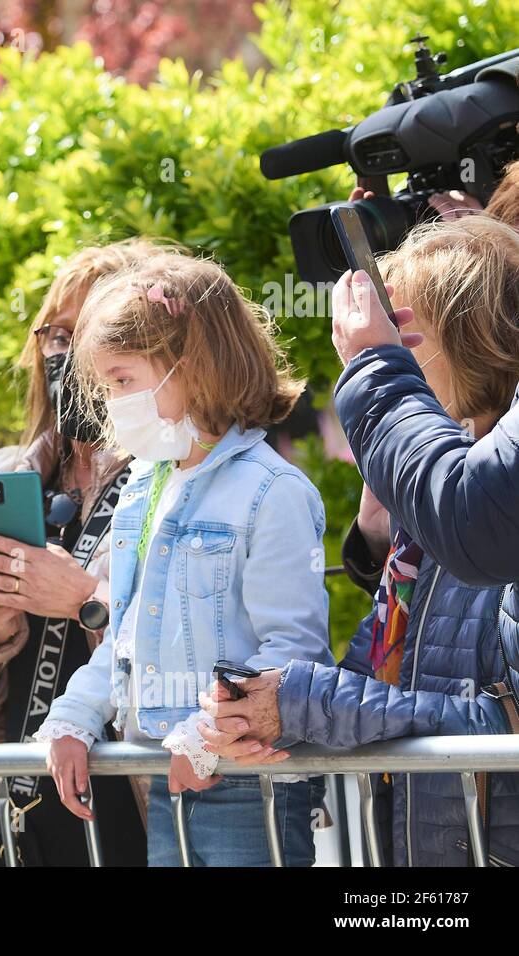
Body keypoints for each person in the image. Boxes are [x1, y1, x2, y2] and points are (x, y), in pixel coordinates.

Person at [203, 216, 519, 866]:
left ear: (474, 338)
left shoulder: (487, 512)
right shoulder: (431, 506)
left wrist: (305, 704)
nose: (378, 358)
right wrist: (268, 703)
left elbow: (501, 732)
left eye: (399, 337)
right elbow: (381, 681)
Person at [37, 251, 334, 867]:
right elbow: (123, 636)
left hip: (248, 791)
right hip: (167, 785)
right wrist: (72, 719)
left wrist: (203, 742)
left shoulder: (272, 491)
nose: (112, 402)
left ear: (189, 368)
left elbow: (292, 653)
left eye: (123, 380)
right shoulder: (141, 491)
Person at [0, 239, 159, 866]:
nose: (68, 355)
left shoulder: (171, 474)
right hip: (14, 813)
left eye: (91, 334)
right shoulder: (11, 474)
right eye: (56, 335)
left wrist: (82, 600)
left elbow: (186, 648)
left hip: (133, 804)